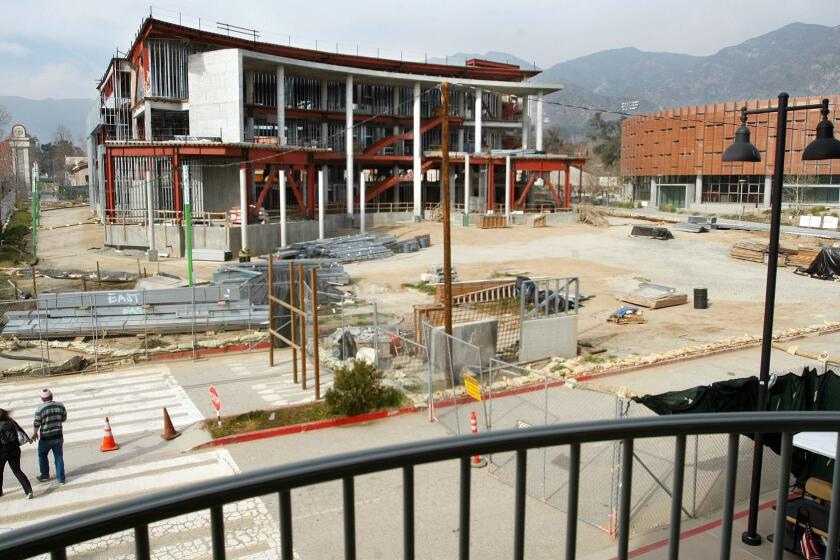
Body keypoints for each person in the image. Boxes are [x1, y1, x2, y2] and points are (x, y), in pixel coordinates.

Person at [32, 389, 67, 485]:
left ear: (42, 399)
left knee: (42, 455)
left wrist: (35, 433)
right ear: (52, 396)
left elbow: (37, 423)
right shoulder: (60, 405)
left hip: (45, 438)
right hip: (58, 436)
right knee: (59, 456)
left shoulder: (40, 409)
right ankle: (61, 478)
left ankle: (44, 475)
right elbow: (64, 418)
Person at [0, 408, 34, 499]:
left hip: (2, 451)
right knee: (17, 471)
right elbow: (20, 430)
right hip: (15, 449)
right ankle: (28, 491)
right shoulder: (11, 421)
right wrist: (28, 439)